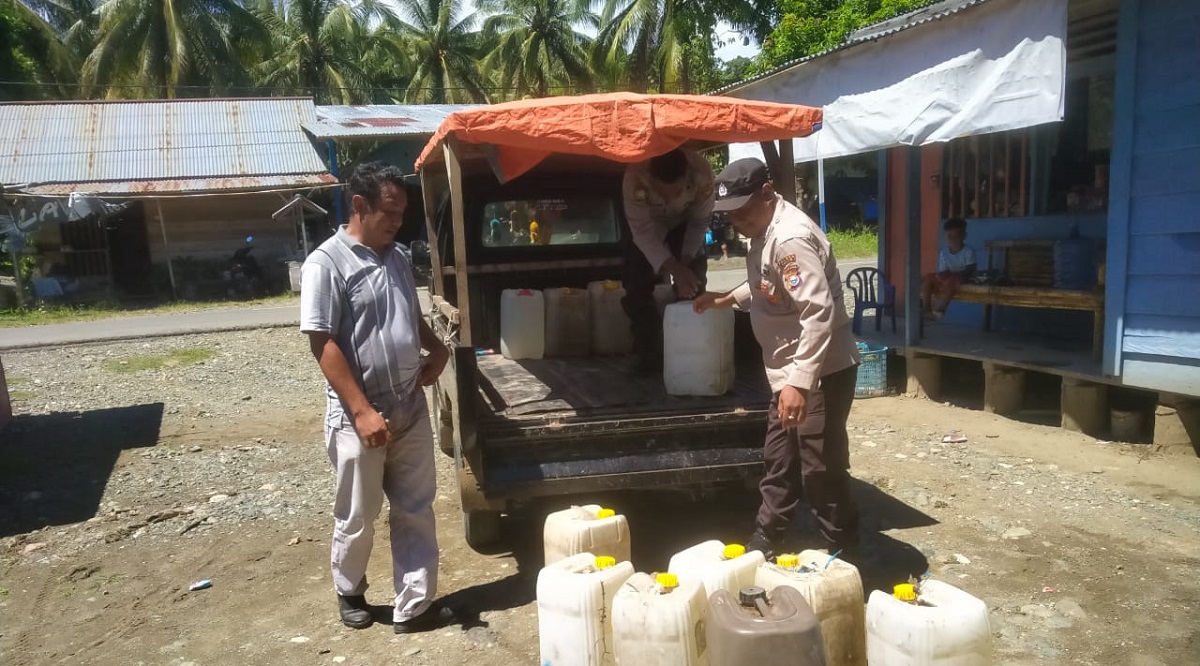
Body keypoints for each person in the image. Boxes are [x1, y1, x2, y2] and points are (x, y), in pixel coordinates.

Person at [299, 161, 456, 634]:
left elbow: (409, 312)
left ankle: (415, 605)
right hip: (359, 415)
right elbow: (322, 342)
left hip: (408, 404)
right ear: (359, 205)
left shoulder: (397, 256)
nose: (397, 222)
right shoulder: (326, 263)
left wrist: (436, 348)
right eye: (389, 212)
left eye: (402, 213)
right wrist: (362, 411)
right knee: (359, 513)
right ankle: (350, 590)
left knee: (415, 508)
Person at [693, 158, 861, 560]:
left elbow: (818, 312)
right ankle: (767, 538)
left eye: (742, 210)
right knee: (780, 459)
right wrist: (725, 299)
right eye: (730, 214)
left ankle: (844, 550)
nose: (737, 221)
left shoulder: (790, 239)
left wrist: (800, 384)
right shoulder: (763, 230)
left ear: (766, 193)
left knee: (819, 466)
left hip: (819, 372)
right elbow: (768, 283)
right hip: (788, 372)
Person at [621, 148, 715, 371]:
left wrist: (684, 266)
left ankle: (693, 350)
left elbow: (700, 223)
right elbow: (642, 232)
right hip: (649, 226)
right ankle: (647, 352)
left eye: (677, 192)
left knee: (694, 282)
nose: (670, 199)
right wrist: (673, 268)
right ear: (651, 179)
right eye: (663, 194)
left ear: (687, 178)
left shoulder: (702, 175)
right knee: (636, 283)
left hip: (686, 224)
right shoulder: (634, 178)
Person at [921, 217, 976, 319]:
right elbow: (943, 271)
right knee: (928, 277)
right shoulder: (944, 252)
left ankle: (941, 309)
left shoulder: (968, 251)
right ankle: (926, 309)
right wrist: (942, 276)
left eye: (955, 237)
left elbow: (970, 270)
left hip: (962, 278)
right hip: (947, 277)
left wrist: (953, 275)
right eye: (949, 236)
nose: (952, 240)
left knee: (952, 281)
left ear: (964, 236)